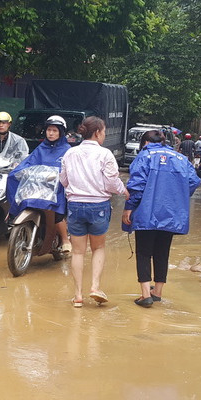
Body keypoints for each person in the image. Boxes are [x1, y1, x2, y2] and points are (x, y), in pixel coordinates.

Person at [122, 129, 200, 308]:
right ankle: (157, 292)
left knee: (143, 252)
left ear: (145, 143)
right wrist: (178, 196)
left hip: (147, 212)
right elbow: (194, 181)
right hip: (171, 214)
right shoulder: (180, 158)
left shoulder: (144, 156)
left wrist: (128, 208)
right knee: (162, 252)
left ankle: (144, 295)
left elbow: (137, 185)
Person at [60, 116, 127, 307]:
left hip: (75, 205)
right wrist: (124, 190)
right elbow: (111, 182)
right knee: (98, 248)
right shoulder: (105, 154)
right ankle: (95, 287)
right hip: (98, 206)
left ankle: (78, 295)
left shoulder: (70, 154)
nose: (104, 135)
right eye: (104, 131)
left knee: (78, 252)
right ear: (97, 132)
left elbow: (63, 180)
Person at [7, 115, 72, 254]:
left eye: (55, 130)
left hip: (57, 190)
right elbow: (29, 163)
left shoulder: (67, 150)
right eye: (49, 130)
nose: (51, 133)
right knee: (12, 179)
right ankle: (12, 213)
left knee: (57, 212)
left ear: (61, 132)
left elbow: (70, 170)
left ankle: (65, 240)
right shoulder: (40, 148)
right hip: (38, 187)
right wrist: (17, 171)